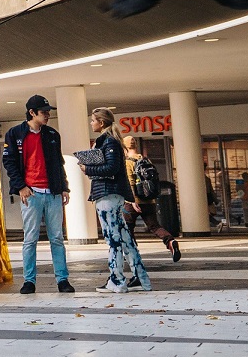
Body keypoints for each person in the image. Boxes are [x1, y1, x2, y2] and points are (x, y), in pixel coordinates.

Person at [0, 94, 72, 294]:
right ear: (32, 113)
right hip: (31, 194)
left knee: (57, 237)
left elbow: (58, 162)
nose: (47, 115)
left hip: (53, 192)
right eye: (44, 112)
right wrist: (21, 186)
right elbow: (9, 163)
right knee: (30, 238)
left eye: (48, 112)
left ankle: (63, 280)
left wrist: (64, 186)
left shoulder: (52, 134)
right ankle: (29, 281)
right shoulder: (15, 134)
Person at [77, 107, 151, 293]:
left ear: (101, 123)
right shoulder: (111, 141)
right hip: (112, 194)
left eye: (93, 120)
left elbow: (111, 168)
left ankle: (117, 280)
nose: (91, 123)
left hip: (107, 194)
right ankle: (140, 278)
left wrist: (89, 169)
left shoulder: (109, 142)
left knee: (112, 238)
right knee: (125, 237)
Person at [121, 134, 180, 262]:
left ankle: (132, 252)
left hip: (133, 201)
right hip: (149, 200)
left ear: (124, 146)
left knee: (127, 227)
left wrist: (132, 200)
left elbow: (130, 182)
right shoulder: (146, 160)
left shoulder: (127, 162)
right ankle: (170, 241)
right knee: (154, 226)